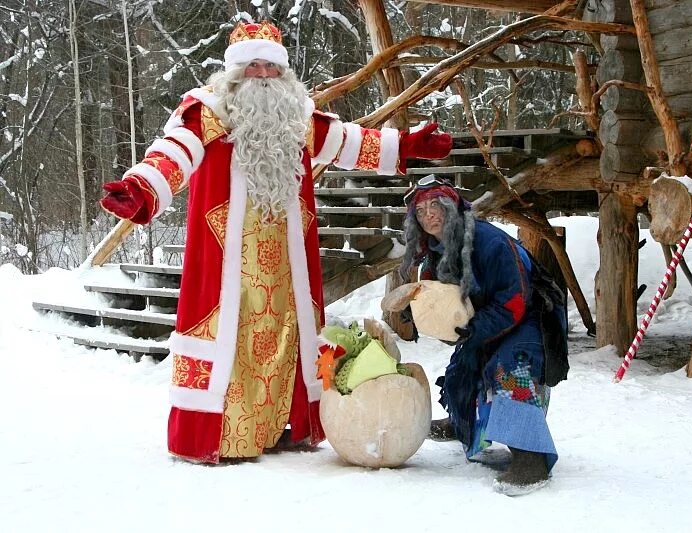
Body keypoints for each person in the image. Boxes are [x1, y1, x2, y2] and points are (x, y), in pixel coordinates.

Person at [100, 21, 452, 464]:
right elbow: (173, 152)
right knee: (232, 341)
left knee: (289, 341)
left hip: (287, 262)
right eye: (252, 66)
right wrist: (142, 187)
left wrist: (406, 146)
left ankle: (281, 426)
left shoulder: (296, 115)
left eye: (270, 65)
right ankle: (222, 437)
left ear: (283, 72)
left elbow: (345, 140)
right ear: (234, 72)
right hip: (228, 260)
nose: (262, 74)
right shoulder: (206, 111)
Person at [400, 176, 568, 495]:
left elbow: (515, 298)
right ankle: (463, 423)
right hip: (487, 318)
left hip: (527, 315)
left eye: (435, 205)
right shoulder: (436, 250)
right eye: (420, 211)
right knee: (463, 367)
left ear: (451, 208)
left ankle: (530, 457)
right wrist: (423, 313)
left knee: (511, 370)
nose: (428, 215)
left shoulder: (490, 242)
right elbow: (441, 297)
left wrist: (477, 329)